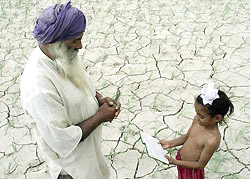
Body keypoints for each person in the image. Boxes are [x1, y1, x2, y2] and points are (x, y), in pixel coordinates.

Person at [20, 1, 121, 179]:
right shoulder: (38, 87)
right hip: (72, 169)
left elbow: (77, 82)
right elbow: (62, 139)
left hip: (89, 154)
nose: (80, 46)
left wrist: (98, 99)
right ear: (56, 42)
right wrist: (99, 117)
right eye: (76, 41)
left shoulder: (61, 55)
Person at [159, 82, 234, 179]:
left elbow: (200, 165)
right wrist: (169, 143)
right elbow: (187, 137)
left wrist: (175, 162)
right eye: (197, 113)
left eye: (201, 116)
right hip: (181, 160)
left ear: (217, 118)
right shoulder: (197, 121)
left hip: (192, 170)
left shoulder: (212, 139)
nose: (197, 118)